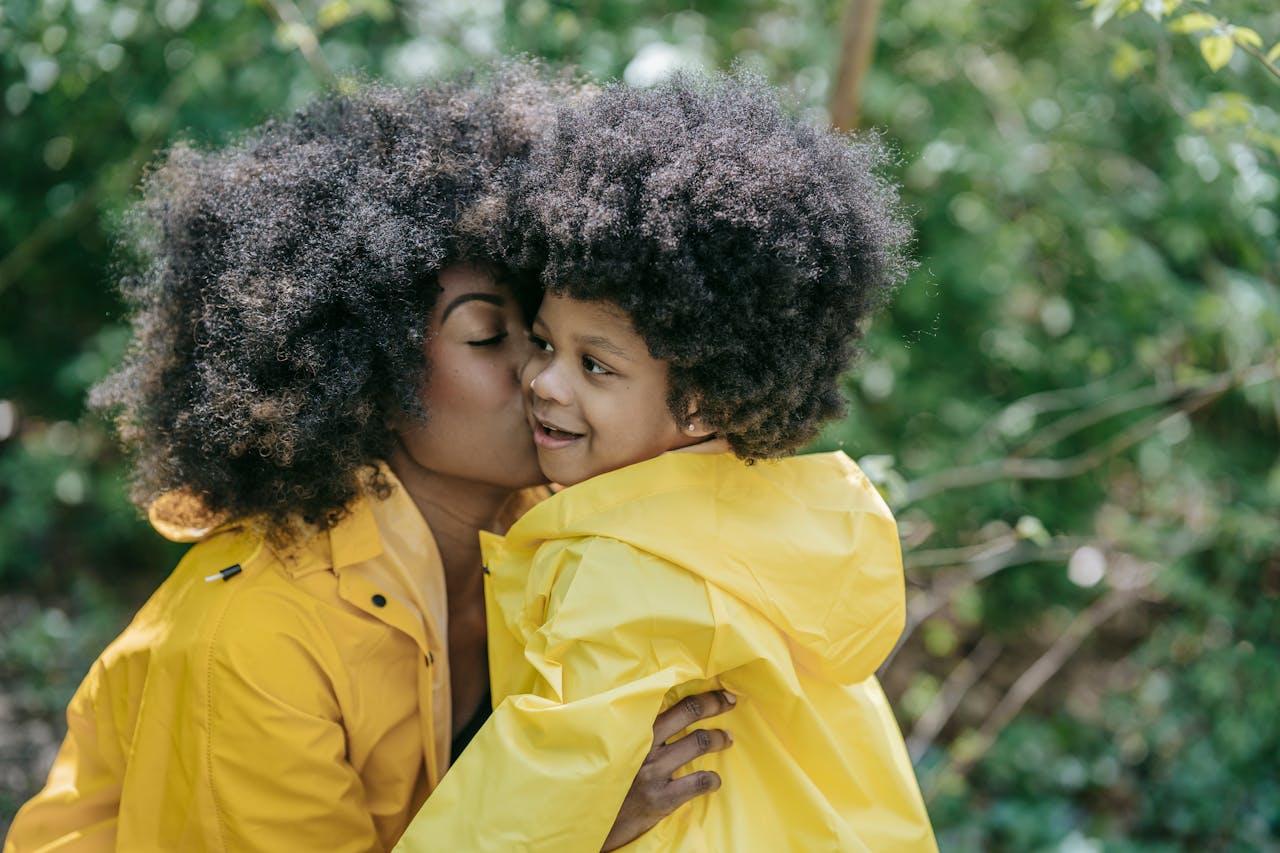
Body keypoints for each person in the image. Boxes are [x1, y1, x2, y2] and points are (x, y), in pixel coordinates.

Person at [4, 65, 734, 853]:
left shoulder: (563, 543)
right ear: (359, 368)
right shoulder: (253, 641)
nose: (543, 373)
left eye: (554, 332)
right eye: (490, 336)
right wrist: (575, 826)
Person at [396, 73, 938, 851]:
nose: (542, 381)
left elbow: (516, 813)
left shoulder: (630, 569)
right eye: (546, 343)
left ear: (703, 401)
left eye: (597, 366)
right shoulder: (772, 523)